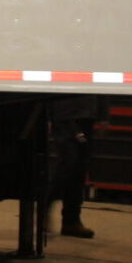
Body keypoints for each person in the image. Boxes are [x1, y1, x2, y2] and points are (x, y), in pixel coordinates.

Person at [46, 95, 99, 238]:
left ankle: (71, 221)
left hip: (86, 115)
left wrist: (103, 114)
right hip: (65, 114)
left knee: (79, 169)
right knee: (68, 164)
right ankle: (46, 205)